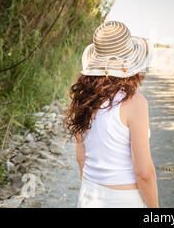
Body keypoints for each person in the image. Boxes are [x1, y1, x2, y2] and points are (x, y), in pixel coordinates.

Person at [65, 20, 158, 208]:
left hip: (89, 195)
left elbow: (81, 157)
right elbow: (143, 172)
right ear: (132, 62)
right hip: (125, 200)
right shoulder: (135, 103)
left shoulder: (83, 99)